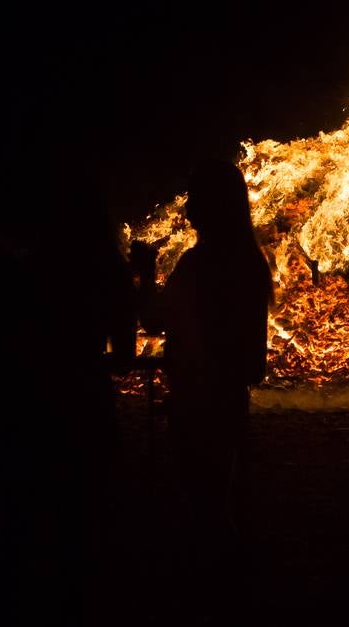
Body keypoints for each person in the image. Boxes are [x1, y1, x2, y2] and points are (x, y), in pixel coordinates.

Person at [147, 157, 273, 620]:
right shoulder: (249, 260)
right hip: (228, 394)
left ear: (212, 205)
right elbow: (252, 359)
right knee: (220, 495)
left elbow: (157, 318)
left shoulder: (202, 264)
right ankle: (231, 590)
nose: (187, 210)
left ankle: (220, 593)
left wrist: (142, 277)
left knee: (206, 503)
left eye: (194, 199)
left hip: (201, 395)